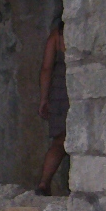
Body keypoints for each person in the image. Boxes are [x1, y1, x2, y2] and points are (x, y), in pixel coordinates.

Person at [37, 20, 68, 196]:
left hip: (59, 93)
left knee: (59, 142)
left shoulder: (57, 36)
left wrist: (44, 98)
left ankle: (43, 183)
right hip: (79, 90)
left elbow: (47, 68)